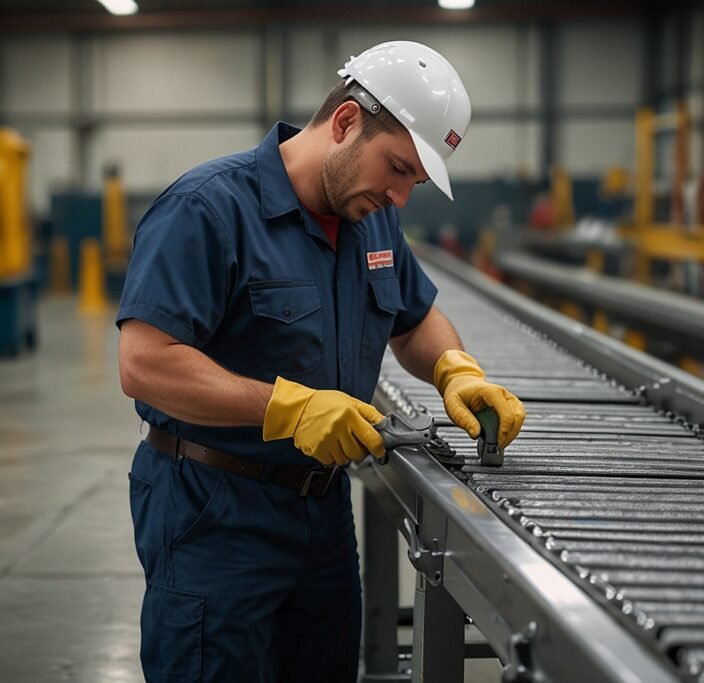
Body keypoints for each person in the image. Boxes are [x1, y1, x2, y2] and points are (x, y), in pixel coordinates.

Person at [117, 40, 526, 683]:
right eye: (396, 168)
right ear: (344, 123)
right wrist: (289, 407)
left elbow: (415, 318)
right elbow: (145, 363)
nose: (399, 197)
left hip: (323, 514)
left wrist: (457, 371)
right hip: (216, 514)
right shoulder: (209, 209)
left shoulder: (373, 223)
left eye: (413, 182)